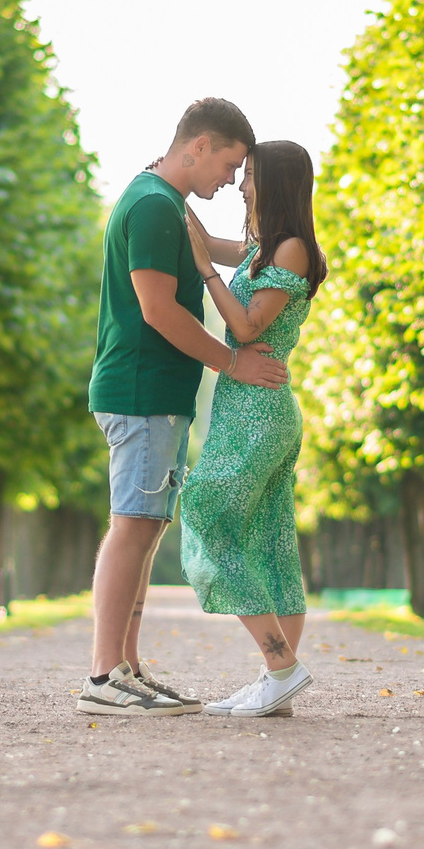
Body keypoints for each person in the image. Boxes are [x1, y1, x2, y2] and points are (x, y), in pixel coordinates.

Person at [76, 99, 290, 717]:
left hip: (156, 393)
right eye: (229, 164)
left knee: (145, 528)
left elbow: (227, 256)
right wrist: (233, 363)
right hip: (141, 390)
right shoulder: (151, 206)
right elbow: (157, 309)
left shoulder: (166, 204)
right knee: (132, 526)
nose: (230, 181)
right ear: (198, 145)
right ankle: (102, 676)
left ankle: (127, 668)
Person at [178, 140, 324, 718]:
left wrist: (208, 274)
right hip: (251, 409)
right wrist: (171, 189)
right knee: (269, 543)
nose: (240, 186)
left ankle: (280, 665)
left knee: (205, 511)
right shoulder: (266, 249)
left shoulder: (289, 250)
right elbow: (205, 240)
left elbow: (242, 328)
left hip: (259, 415)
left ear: (278, 183)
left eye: (251, 177)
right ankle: (277, 688)